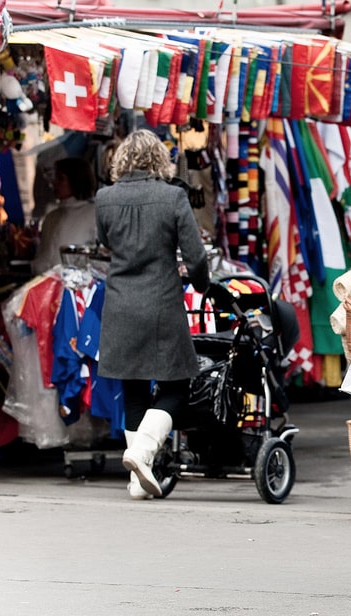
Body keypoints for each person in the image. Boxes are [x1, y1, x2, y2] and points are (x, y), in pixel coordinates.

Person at [95, 130, 209, 500]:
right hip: (160, 302)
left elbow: (106, 243)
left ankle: (136, 483)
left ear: (122, 160)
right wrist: (203, 285)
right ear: (159, 159)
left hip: (119, 304)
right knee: (179, 385)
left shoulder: (104, 199)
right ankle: (142, 452)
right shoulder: (173, 196)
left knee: (133, 387)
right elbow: (196, 257)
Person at [31, 157, 98, 275]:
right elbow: (44, 257)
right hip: (47, 287)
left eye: (61, 179)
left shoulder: (94, 214)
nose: (54, 183)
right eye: (55, 178)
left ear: (76, 180)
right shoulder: (51, 217)